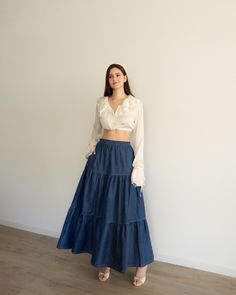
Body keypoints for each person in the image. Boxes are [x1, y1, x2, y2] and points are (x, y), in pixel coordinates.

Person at [56, 63, 154, 287]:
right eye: (110, 76)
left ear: (125, 77)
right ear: (108, 80)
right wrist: (91, 149)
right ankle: (104, 260)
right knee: (101, 208)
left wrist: (138, 168)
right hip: (101, 158)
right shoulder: (101, 103)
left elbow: (139, 138)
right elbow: (95, 130)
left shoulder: (135, 104)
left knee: (129, 211)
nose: (114, 79)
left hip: (122, 158)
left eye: (118, 75)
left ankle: (142, 264)